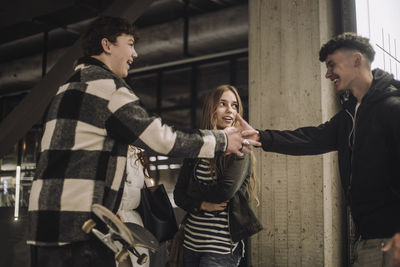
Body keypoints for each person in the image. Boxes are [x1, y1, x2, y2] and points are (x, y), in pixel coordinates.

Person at [27, 16, 259, 267]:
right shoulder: (107, 87)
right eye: (129, 44)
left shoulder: (66, 88)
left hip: (43, 227)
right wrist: (222, 140)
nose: (135, 54)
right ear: (107, 45)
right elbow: (163, 139)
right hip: (80, 232)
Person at [242, 33, 400, 267]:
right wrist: (260, 137)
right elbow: (310, 138)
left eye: (332, 65)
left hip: (391, 239)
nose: (327, 74)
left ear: (357, 60)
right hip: (367, 238)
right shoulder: (350, 115)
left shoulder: (392, 108)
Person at [174, 85, 263, 267]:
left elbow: (224, 192)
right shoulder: (197, 148)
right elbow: (178, 195)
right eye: (223, 104)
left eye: (234, 105)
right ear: (211, 108)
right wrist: (201, 205)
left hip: (220, 249)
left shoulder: (242, 148)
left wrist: (193, 189)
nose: (230, 110)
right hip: (190, 244)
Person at [117, 145, 152, 267]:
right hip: (112, 219)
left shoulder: (139, 151)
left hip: (135, 222)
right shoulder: (109, 147)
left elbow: (146, 185)